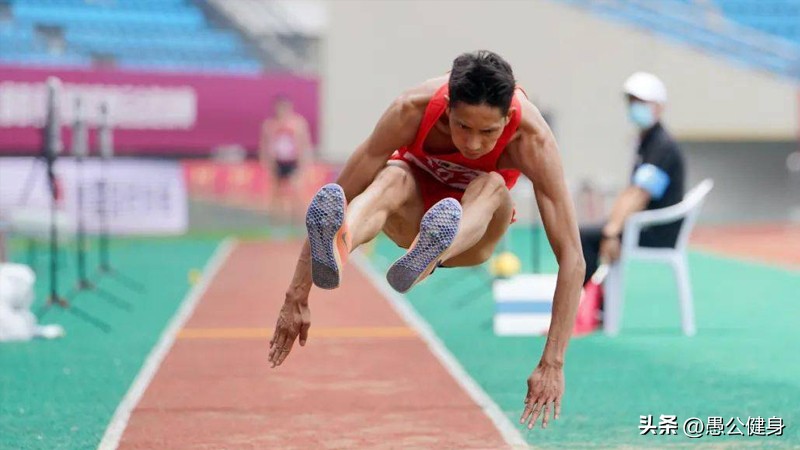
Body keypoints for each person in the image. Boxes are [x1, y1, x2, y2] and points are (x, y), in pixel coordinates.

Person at [269, 50, 586, 430]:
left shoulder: (533, 140)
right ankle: (338, 247)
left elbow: (572, 257)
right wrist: (296, 295)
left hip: (474, 236)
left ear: (508, 119)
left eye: (488, 132)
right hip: (412, 219)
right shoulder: (411, 110)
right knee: (391, 177)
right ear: (448, 109)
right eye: (463, 127)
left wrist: (552, 362)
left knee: (493, 183)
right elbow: (341, 192)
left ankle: (436, 249)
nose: (472, 143)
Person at [580, 72, 685, 284]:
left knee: (583, 236)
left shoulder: (662, 145)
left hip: (656, 231)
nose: (635, 107)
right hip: (641, 224)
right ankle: (595, 304)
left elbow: (639, 194)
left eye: (642, 102)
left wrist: (612, 232)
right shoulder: (646, 142)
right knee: (590, 232)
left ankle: (583, 302)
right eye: (632, 101)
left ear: (659, 106)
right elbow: (630, 191)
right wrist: (612, 224)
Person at [259, 95, 312, 226]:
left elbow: (304, 144)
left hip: (293, 161)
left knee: (296, 192)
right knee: (276, 195)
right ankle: (277, 226)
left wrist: (304, 163)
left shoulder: (298, 123)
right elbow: (265, 145)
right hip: (277, 162)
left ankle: (300, 224)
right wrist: (267, 163)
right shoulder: (270, 125)